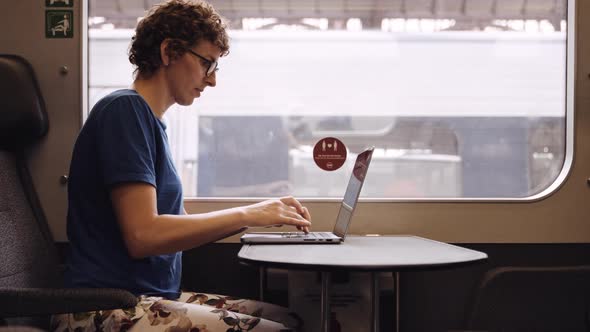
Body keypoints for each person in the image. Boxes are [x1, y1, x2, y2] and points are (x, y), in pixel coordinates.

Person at [51, 1, 311, 331]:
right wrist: (250, 214)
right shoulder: (123, 112)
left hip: (148, 298)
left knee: (290, 318)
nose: (212, 80)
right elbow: (143, 235)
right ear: (169, 51)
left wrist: (260, 212)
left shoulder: (151, 122)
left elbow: (177, 225)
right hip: (103, 306)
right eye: (207, 64)